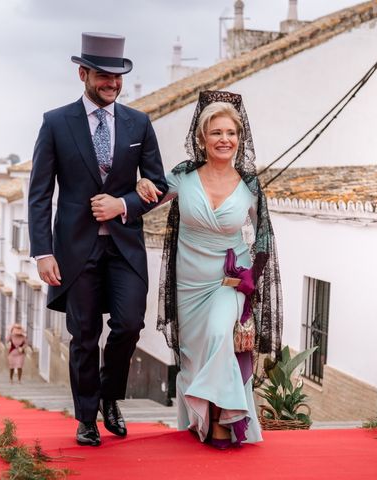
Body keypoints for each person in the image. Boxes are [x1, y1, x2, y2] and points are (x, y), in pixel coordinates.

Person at [28, 32, 168, 447]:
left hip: (125, 246)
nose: (112, 83)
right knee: (85, 335)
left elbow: (157, 183)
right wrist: (42, 252)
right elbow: (39, 194)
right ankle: (87, 418)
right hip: (75, 248)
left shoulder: (138, 123)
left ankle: (110, 397)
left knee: (129, 324)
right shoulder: (55, 123)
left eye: (118, 76)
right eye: (104, 76)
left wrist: (123, 204)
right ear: (83, 74)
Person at [136, 91, 283, 449]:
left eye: (231, 133)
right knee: (197, 354)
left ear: (239, 138)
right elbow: (145, 200)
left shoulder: (250, 186)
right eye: (216, 132)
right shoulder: (183, 178)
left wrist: (251, 282)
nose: (224, 140)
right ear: (202, 138)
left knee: (220, 336)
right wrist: (138, 184)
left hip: (228, 281)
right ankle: (202, 423)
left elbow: (263, 238)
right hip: (188, 284)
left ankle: (222, 422)